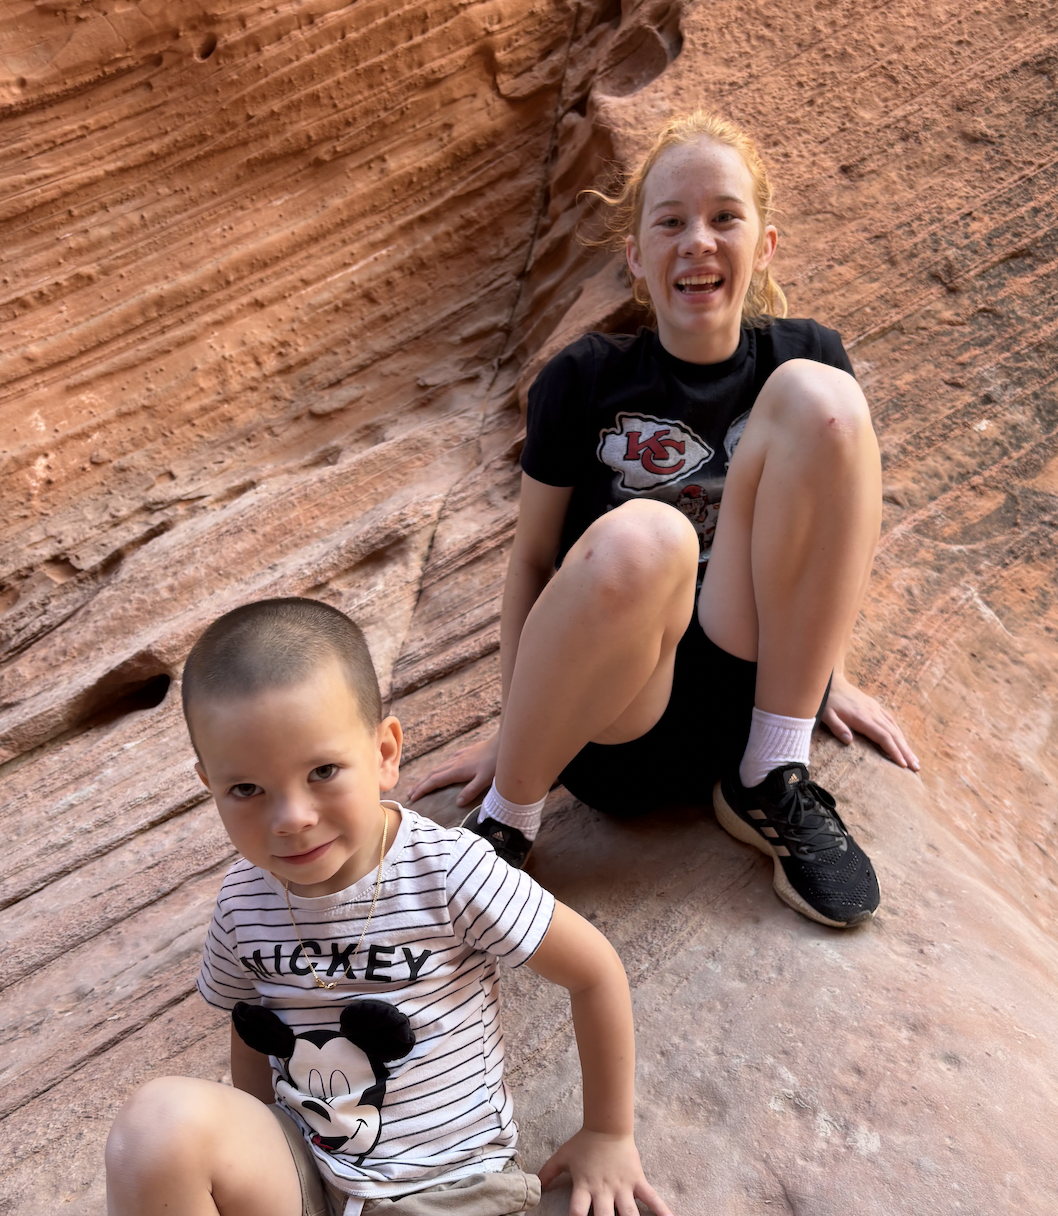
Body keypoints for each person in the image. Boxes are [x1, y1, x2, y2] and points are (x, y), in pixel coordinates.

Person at [409, 111, 919, 930]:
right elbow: (533, 561)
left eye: (725, 217)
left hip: (749, 683)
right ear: (636, 258)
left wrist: (833, 675)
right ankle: (507, 826)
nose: (698, 242)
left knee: (823, 400)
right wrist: (515, 736)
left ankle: (772, 774)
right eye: (671, 222)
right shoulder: (583, 379)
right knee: (651, 534)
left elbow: (830, 533)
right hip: (619, 718)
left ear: (766, 245)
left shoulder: (806, 354)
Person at [104, 599, 671, 1216]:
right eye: (246, 789)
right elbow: (251, 1024)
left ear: (384, 753)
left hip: (444, 1187)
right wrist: (260, 1144)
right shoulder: (243, 897)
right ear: (209, 784)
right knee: (153, 1129)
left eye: (323, 770)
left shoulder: (446, 869)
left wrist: (608, 1133)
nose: (291, 817)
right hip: (309, 1167)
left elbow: (594, 971)